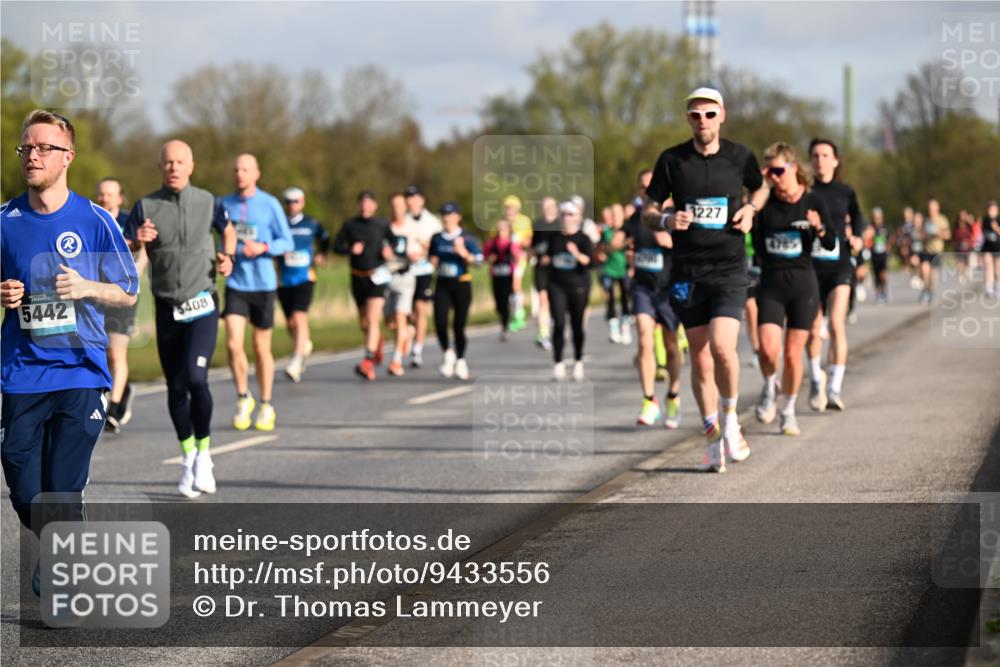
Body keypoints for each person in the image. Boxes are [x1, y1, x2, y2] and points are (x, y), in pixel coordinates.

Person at [2, 111, 139, 563]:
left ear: (68, 158)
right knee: (23, 487)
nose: (33, 156)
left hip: (81, 371)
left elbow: (128, 290)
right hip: (22, 372)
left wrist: (87, 287)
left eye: (44, 148)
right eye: (27, 148)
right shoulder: (5, 220)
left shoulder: (95, 219)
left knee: (61, 486)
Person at [642, 87, 768, 472]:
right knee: (698, 354)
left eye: (709, 114)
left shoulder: (739, 156)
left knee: (722, 348)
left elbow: (760, 188)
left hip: (729, 268)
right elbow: (648, 208)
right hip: (687, 271)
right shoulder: (672, 160)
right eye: (696, 115)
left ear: (722, 115)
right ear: (688, 119)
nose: (703, 121)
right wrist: (664, 219)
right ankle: (711, 433)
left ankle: (731, 420)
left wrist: (750, 208)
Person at [128, 139, 236, 497]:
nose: (173, 167)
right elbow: (126, 246)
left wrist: (228, 256)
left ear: (191, 166)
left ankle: (205, 454)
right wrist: (137, 240)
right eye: (167, 162)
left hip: (202, 302)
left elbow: (228, 230)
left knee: (196, 377)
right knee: (175, 386)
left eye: (180, 161)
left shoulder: (209, 201)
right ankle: (188, 455)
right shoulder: (146, 205)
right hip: (166, 306)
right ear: (160, 167)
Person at [751, 143, 835, 436]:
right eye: (768, 171)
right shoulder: (764, 205)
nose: (773, 177)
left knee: (791, 354)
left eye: (778, 170)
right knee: (767, 349)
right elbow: (758, 247)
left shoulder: (812, 202)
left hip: (803, 285)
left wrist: (819, 228)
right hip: (772, 284)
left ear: (793, 168)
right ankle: (768, 386)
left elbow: (830, 243)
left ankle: (787, 411)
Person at [220, 154, 294, 431]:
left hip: (263, 285)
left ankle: (265, 403)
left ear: (256, 173)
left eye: (245, 169)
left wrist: (263, 248)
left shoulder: (270, 204)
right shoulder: (224, 204)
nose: (240, 174)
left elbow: (286, 240)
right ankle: (243, 397)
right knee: (232, 343)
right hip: (237, 284)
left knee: (261, 347)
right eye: (236, 169)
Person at [805, 138, 864, 413]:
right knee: (814, 328)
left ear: (835, 160)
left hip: (839, 264)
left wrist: (859, 237)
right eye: (815, 155)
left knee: (837, 324)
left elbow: (857, 217)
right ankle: (817, 378)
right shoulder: (804, 191)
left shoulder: (845, 191)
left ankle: (835, 388)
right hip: (811, 266)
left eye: (826, 155)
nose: (820, 160)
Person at [620, 176, 683, 428]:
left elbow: (691, 248)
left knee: (670, 345)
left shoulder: (673, 217)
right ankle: (649, 400)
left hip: (668, 288)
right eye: (643, 188)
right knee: (645, 339)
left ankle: (673, 396)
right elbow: (618, 241)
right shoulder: (636, 218)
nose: (647, 191)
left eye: (651, 187)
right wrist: (622, 245)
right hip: (643, 287)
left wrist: (671, 243)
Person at [96, 177, 146, 432]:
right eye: (101, 194)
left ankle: (114, 409)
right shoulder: (93, 220)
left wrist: (131, 281)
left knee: (117, 353)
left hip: (124, 295)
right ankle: (122, 387)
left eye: (109, 194)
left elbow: (143, 254)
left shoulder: (130, 222)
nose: (105, 198)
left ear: (120, 198)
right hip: (97, 294)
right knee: (102, 352)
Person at [333, 191, 393, 380]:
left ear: (375, 206)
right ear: (358, 205)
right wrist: (351, 249)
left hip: (377, 276)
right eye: (362, 203)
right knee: (364, 322)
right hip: (357, 277)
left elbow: (397, 242)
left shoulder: (382, 224)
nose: (365, 207)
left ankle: (367, 362)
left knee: (373, 319)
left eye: (369, 203)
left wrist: (389, 250)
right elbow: (336, 246)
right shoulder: (350, 225)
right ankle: (377, 342)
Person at [277, 187, 329, 383]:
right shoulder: (278, 223)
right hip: (283, 278)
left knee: (300, 317)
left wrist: (323, 254)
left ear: (303, 202)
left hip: (305, 277)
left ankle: (296, 362)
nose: (292, 205)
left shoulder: (311, 223)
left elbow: (325, 238)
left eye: (296, 201)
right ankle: (303, 343)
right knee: (291, 323)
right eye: (289, 202)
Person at [429, 202, 483, 380]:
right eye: (444, 214)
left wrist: (463, 253)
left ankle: (460, 360)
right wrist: (433, 261)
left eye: (450, 214)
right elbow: (432, 257)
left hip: (461, 284)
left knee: (459, 326)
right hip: (442, 284)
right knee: (440, 321)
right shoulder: (437, 238)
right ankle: (447, 352)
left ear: (458, 217)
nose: (447, 218)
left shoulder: (467, 237)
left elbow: (479, 262)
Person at [542, 200, 594, 381]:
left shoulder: (583, 239)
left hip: (578, 285)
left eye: (570, 214)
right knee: (558, 323)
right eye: (563, 214)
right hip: (557, 285)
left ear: (577, 217)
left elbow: (591, 262)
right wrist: (545, 260)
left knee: (577, 325)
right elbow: (547, 257)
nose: (566, 218)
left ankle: (578, 361)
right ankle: (558, 362)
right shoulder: (555, 237)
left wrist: (577, 254)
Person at [403, 185, 442, 368]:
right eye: (408, 197)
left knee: (421, 309)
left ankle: (417, 350)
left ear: (422, 200)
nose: (411, 201)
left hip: (425, 270)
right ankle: (410, 331)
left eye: (415, 197)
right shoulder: (402, 220)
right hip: (405, 270)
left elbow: (440, 247)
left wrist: (427, 248)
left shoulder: (432, 222)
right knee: (406, 312)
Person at [384, 192, 422, 376]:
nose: (396, 209)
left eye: (399, 205)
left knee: (399, 317)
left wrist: (411, 256)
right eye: (393, 205)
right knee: (390, 323)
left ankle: (396, 361)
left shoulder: (411, 228)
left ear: (405, 207)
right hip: (387, 278)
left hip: (405, 278)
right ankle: (408, 332)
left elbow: (419, 250)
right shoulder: (385, 227)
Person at [483, 218, 523, 340]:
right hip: (496, 275)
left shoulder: (512, 244)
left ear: (508, 230)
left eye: (504, 229)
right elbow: (485, 257)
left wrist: (514, 256)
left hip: (508, 275)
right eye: (499, 229)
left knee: (505, 300)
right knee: (498, 302)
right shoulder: (491, 243)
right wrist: (491, 259)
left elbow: (518, 258)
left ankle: (504, 326)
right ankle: (503, 316)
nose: (501, 232)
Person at [530, 196, 560, 350]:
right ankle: (543, 333)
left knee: (556, 302)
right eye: (544, 206)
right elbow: (533, 246)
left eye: (550, 206)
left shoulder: (560, 224)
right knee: (543, 300)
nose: (547, 209)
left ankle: (557, 327)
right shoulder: (538, 224)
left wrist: (552, 256)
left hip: (557, 269)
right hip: (541, 269)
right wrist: (533, 252)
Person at [600, 203, 632, 345]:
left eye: (617, 214)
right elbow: (600, 247)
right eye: (612, 214)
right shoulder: (606, 232)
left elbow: (632, 247)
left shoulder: (628, 230)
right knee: (610, 297)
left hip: (623, 268)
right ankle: (614, 328)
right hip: (609, 269)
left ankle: (625, 327)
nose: (615, 217)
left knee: (625, 295)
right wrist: (605, 249)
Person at [501, 194, 533, 332]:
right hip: (506, 259)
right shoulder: (502, 222)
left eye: (512, 207)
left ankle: (519, 315)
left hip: (519, 257)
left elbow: (529, 239)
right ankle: (514, 313)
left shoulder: (524, 221)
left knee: (516, 284)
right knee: (508, 289)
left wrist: (519, 242)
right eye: (508, 207)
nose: (510, 210)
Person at [870, 207, 891, 303]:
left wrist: (888, 246)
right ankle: (878, 293)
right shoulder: (871, 228)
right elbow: (867, 239)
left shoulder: (886, 227)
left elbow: (890, 239)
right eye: (875, 217)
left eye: (878, 217)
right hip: (874, 254)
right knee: (876, 274)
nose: (877, 219)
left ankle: (883, 290)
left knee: (883, 273)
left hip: (883, 254)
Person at [982, 201, 1000, 299]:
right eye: (989, 210)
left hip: (998, 248)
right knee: (989, 268)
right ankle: (989, 289)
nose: (991, 212)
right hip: (987, 247)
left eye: (993, 210)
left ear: (997, 211)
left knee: (998, 269)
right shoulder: (985, 219)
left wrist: (996, 228)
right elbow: (983, 233)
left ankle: (998, 288)